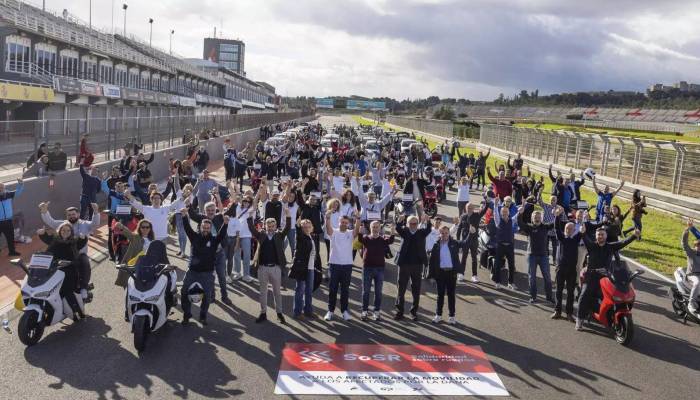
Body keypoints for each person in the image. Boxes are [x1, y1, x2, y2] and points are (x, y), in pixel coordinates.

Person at [576, 227, 639, 330]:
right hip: (592, 276)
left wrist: (633, 236)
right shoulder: (592, 245)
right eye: (598, 234)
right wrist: (582, 233)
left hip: (606, 277)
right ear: (596, 236)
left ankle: (610, 314)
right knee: (584, 295)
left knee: (614, 295)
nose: (600, 236)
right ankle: (579, 320)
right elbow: (585, 238)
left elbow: (623, 242)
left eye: (602, 234)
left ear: (606, 236)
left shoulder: (610, 247)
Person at [40, 201, 100, 302]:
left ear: (78, 214)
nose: (71, 216)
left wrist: (96, 212)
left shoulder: (85, 224)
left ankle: (84, 288)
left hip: (79, 255)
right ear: (66, 216)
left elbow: (95, 223)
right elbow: (51, 222)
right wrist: (44, 211)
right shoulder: (63, 224)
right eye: (69, 215)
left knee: (85, 263)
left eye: (73, 214)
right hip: (63, 255)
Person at [180, 208, 228, 326]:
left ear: (210, 228)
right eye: (204, 227)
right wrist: (184, 216)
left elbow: (221, 235)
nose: (206, 230)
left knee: (207, 296)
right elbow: (187, 228)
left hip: (207, 273)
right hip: (192, 271)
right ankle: (186, 314)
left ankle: (202, 316)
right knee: (184, 292)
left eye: (208, 228)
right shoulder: (194, 236)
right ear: (200, 227)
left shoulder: (214, 240)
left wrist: (225, 224)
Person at [248, 208, 292, 324]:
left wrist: (288, 216)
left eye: (273, 226)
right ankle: (263, 313)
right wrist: (249, 216)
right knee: (263, 292)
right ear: (265, 226)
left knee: (277, 292)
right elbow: (252, 229)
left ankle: (279, 313)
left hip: (275, 268)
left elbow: (287, 228)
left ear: (276, 226)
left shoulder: (279, 236)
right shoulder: (260, 236)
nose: (271, 228)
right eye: (269, 226)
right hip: (262, 268)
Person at [36, 223, 87, 317]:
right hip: (54, 269)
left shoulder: (74, 241)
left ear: (71, 232)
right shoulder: (54, 240)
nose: (65, 232)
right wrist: (42, 233)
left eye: (68, 230)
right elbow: (46, 238)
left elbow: (81, 242)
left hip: (70, 269)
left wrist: (83, 237)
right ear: (60, 231)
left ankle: (77, 310)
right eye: (63, 230)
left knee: (66, 289)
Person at [394, 214, 432, 321]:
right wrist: (399, 220)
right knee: (401, 289)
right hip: (404, 265)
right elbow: (397, 227)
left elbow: (429, 229)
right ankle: (399, 312)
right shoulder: (404, 231)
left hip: (417, 265)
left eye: (415, 223)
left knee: (416, 289)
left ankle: (413, 312)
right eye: (411, 223)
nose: (413, 225)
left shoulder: (421, 233)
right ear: (407, 224)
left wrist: (428, 221)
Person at [324, 211, 360, 321]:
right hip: (334, 265)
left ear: (348, 224)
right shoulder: (333, 232)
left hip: (347, 266)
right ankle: (330, 311)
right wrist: (327, 217)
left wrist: (358, 218)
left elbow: (357, 230)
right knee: (333, 289)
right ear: (338, 222)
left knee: (345, 290)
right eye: (342, 222)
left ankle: (344, 311)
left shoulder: (350, 233)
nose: (344, 224)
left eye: (346, 222)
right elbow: (328, 227)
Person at [427, 224, 465, 325]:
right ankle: (438, 315)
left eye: (446, 233)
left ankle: (451, 317)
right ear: (440, 234)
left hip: (451, 274)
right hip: (440, 274)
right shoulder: (436, 245)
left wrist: (471, 233)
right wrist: (431, 276)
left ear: (449, 233)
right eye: (442, 233)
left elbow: (465, 243)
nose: (444, 235)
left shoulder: (454, 243)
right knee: (440, 295)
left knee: (451, 295)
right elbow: (432, 262)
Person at [358, 220, 395, 321]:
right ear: (370, 228)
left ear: (380, 228)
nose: (375, 229)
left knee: (378, 292)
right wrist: (360, 231)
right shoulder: (366, 238)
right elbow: (359, 239)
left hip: (380, 269)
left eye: (377, 227)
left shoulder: (383, 239)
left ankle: (376, 311)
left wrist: (392, 231)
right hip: (367, 268)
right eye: (373, 227)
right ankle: (364, 311)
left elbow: (391, 240)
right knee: (366, 291)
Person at [517, 206, 555, 303]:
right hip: (532, 256)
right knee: (532, 277)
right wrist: (520, 213)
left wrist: (557, 215)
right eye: (535, 217)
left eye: (538, 217)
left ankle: (549, 297)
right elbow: (520, 224)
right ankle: (533, 297)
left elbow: (555, 223)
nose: (537, 218)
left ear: (541, 218)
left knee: (547, 277)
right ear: (532, 219)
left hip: (544, 256)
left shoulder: (545, 227)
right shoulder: (529, 227)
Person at [552, 207, 584, 321]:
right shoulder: (561, 238)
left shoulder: (575, 239)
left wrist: (583, 222)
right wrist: (557, 215)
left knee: (570, 292)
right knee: (559, 291)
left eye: (570, 229)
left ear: (573, 230)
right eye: (566, 228)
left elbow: (582, 231)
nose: (568, 230)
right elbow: (556, 228)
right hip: (560, 269)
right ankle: (557, 311)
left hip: (571, 269)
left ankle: (569, 313)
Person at [288, 219, 321, 319]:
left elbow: (315, 254)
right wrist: (298, 227)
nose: (306, 229)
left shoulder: (312, 237)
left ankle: (308, 311)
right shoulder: (301, 237)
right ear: (301, 229)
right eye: (304, 227)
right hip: (302, 268)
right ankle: (297, 312)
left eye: (308, 227)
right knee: (300, 290)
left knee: (309, 291)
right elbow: (298, 234)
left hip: (311, 268)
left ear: (312, 228)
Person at [456, 202, 487, 283]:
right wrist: (458, 241)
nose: (469, 209)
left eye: (471, 208)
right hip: (465, 241)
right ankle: (461, 274)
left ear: (473, 209)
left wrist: (487, 202)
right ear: (466, 208)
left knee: (474, 258)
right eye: (468, 208)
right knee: (464, 258)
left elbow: (484, 210)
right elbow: (459, 229)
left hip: (474, 240)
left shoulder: (477, 215)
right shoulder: (463, 216)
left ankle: (474, 275)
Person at [491, 197, 516, 290]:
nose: (505, 213)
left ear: (508, 213)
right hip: (500, 246)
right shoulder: (498, 221)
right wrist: (496, 204)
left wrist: (524, 206)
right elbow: (495, 214)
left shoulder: (511, 220)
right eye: (503, 212)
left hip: (510, 246)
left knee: (511, 265)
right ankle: (497, 282)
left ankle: (511, 282)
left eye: (506, 212)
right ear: (501, 213)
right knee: (497, 265)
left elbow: (518, 215)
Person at [0, 178, 23, 256]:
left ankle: (12, 252)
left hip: (8, 221)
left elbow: (18, 192)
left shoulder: (9, 194)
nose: (1, 189)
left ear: (4, 188)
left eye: (2, 187)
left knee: (10, 237)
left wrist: (20, 184)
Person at [682, 220, 700, 314]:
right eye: (697, 245)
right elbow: (684, 243)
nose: (699, 247)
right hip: (692, 275)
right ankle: (691, 303)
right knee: (697, 283)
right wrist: (687, 230)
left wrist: (692, 227)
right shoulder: (691, 252)